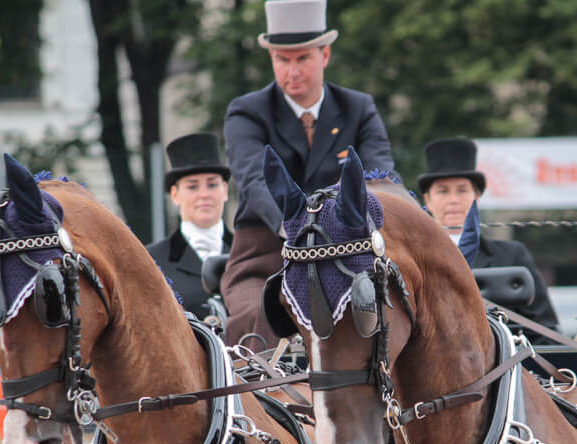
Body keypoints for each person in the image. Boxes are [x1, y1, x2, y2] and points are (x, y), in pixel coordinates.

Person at [220, 0, 395, 347]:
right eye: (281, 60)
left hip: (350, 253)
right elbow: (255, 180)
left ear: (325, 55)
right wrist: (299, 227)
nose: (292, 70)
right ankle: (253, 385)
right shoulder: (246, 112)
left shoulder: (358, 108)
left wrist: (344, 226)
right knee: (258, 315)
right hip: (265, 257)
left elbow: (380, 178)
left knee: (392, 311)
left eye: (302, 58)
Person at [420, 136, 560, 338]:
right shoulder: (415, 258)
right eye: (443, 191)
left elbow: (545, 330)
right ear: (428, 200)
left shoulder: (512, 256)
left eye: (462, 190)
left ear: (476, 197)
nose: (453, 200)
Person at [147, 133, 233, 320]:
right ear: (175, 194)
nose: (204, 194)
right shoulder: (151, 260)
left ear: (225, 190)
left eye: (212, 184)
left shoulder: (248, 254)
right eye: (193, 187)